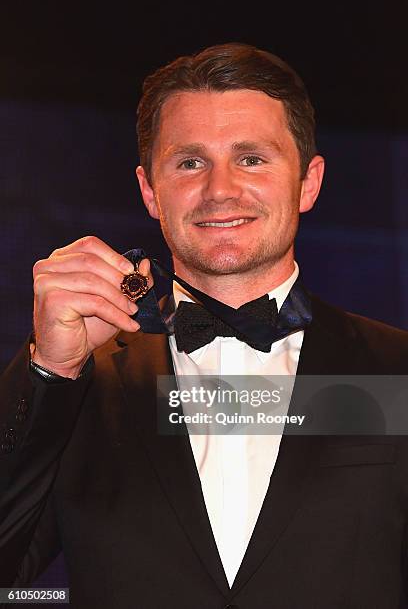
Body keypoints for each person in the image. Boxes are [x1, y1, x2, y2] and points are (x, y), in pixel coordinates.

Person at [1, 42, 408, 609]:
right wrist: (49, 370)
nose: (220, 190)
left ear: (308, 182)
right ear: (150, 191)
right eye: (190, 162)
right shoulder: (80, 384)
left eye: (251, 159)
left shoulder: (397, 369)